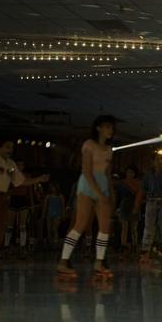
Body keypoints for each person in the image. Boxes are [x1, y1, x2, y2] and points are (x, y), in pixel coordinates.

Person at [57, 115, 117, 281]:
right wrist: (98, 193)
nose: (110, 130)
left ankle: (99, 261)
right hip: (87, 184)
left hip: (102, 184)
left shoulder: (109, 149)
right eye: (107, 127)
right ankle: (63, 261)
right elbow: (86, 170)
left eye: (112, 127)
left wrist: (110, 192)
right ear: (98, 128)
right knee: (81, 223)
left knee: (105, 226)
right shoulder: (89, 145)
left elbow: (107, 173)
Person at [0, 138, 48, 268]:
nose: (10, 150)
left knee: (0, 227)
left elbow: (20, 181)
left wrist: (39, 179)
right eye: (7, 147)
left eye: (11, 148)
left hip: (2, 196)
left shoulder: (11, 164)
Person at [140, 153, 162, 259]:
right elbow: (143, 188)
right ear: (153, 161)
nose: (158, 161)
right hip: (151, 201)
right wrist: (140, 202)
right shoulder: (148, 174)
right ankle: (146, 249)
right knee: (149, 226)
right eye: (156, 159)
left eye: (160, 159)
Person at [5, 161, 35, 255]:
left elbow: (30, 191)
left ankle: (22, 247)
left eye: (21, 164)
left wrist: (32, 204)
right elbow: (8, 188)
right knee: (9, 226)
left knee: (22, 225)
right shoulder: (12, 174)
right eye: (18, 164)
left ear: (24, 166)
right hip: (13, 200)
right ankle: (6, 246)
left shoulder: (27, 175)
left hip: (23, 200)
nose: (20, 166)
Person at [115, 165, 143, 256]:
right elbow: (117, 196)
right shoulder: (122, 183)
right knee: (124, 226)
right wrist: (117, 208)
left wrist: (136, 207)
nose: (129, 174)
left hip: (134, 205)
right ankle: (123, 246)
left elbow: (140, 196)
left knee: (133, 228)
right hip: (124, 205)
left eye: (131, 172)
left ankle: (135, 245)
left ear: (134, 174)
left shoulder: (138, 183)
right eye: (128, 172)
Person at [42, 183, 65, 249]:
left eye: (53, 187)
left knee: (54, 228)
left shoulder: (60, 196)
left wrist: (63, 215)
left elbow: (63, 206)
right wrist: (43, 215)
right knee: (49, 229)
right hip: (49, 214)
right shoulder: (48, 196)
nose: (52, 189)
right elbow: (45, 206)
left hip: (57, 214)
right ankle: (50, 243)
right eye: (51, 187)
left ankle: (55, 243)